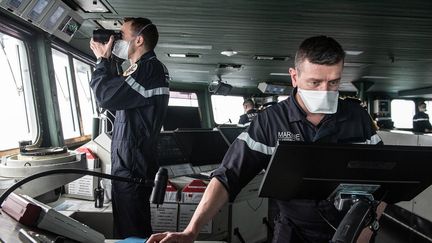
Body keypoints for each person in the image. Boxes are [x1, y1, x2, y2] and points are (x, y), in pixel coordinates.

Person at [147, 36, 384, 243]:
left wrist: (366, 229)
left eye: (333, 82)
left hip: (350, 230)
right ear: (294, 77)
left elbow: (386, 184)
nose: (324, 91)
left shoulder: (358, 119)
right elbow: (227, 176)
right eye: (315, 82)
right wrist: (191, 231)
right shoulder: (270, 122)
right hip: (292, 231)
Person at [89, 17, 169, 239]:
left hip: (132, 165)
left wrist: (101, 61)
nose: (117, 40)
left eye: (122, 35)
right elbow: (120, 94)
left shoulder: (148, 69)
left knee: (132, 229)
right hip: (132, 161)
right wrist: (111, 61)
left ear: (139, 40)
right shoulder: (142, 70)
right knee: (128, 226)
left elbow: (106, 96)